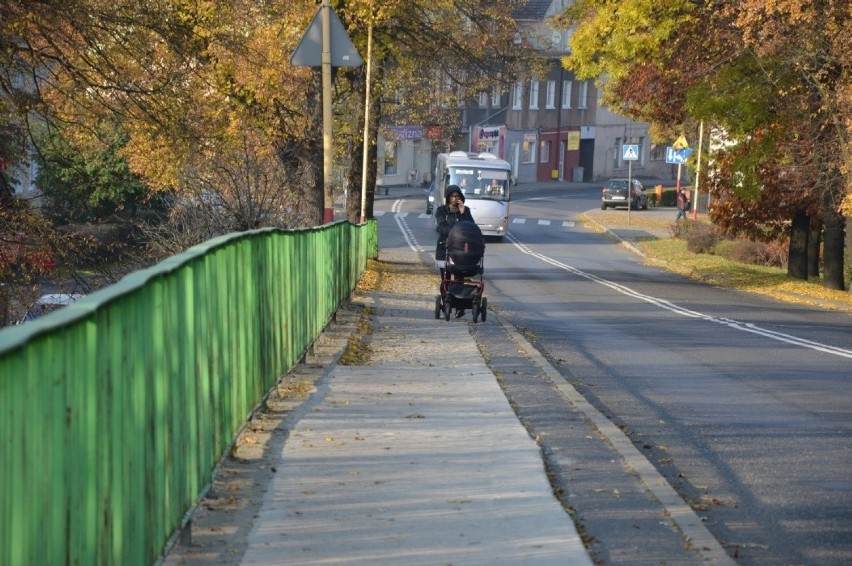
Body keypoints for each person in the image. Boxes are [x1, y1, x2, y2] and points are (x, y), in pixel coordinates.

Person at [435, 185, 475, 317]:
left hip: (460, 250)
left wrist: (463, 213)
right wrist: (456, 232)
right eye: (452, 196)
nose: (454, 199)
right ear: (448, 198)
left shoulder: (465, 211)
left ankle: (460, 306)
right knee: (445, 278)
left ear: (460, 198)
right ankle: (446, 301)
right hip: (444, 247)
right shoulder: (441, 211)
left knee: (459, 277)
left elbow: (470, 227)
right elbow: (442, 227)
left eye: (457, 196)